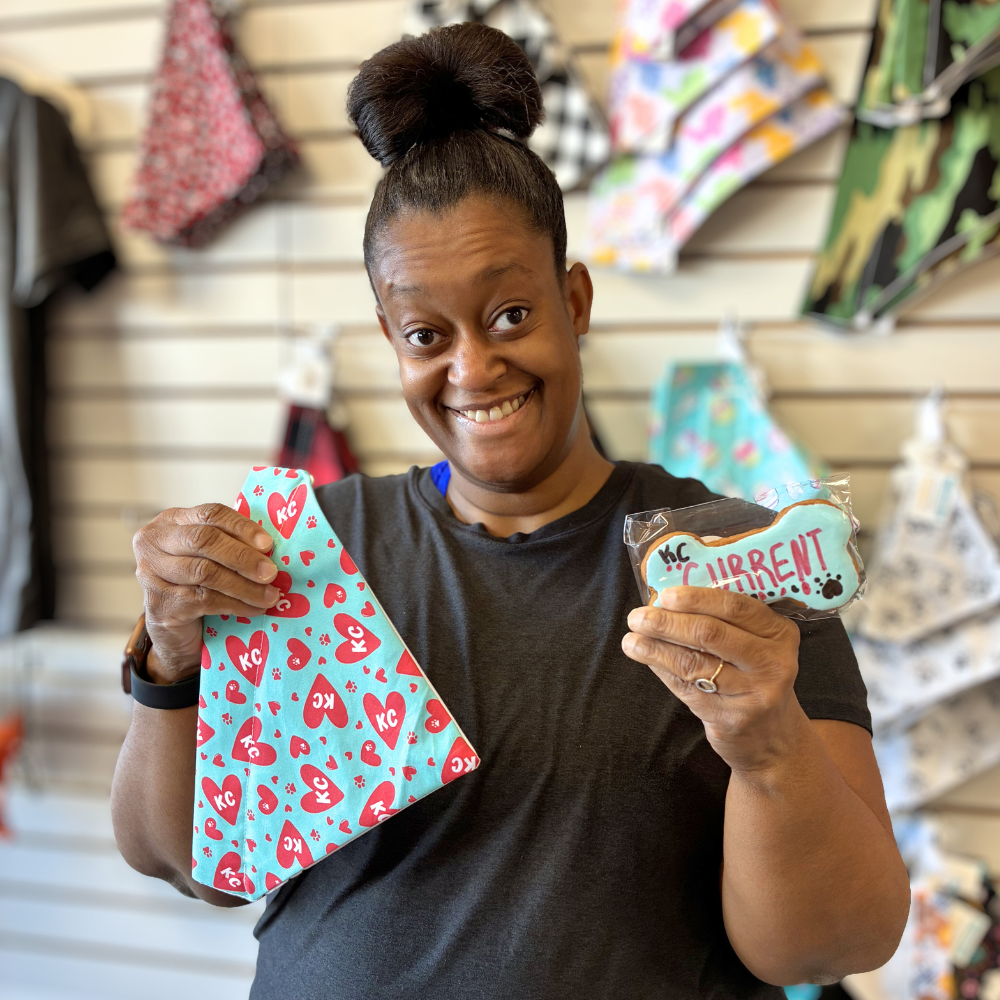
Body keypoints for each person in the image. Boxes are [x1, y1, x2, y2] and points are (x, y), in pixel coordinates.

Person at [112, 22, 909, 999]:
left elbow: (832, 943)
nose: (472, 368)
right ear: (387, 337)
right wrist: (170, 661)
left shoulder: (728, 563)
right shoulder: (302, 557)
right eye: (425, 333)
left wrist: (770, 745)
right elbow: (184, 864)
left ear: (573, 299)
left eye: (510, 315)